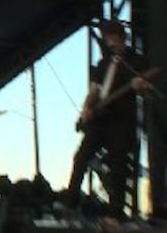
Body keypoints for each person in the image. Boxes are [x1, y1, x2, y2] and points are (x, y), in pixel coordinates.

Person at [65, 18, 152, 218]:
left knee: (118, 164)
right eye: (107, 38)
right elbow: (93, 90)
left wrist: (141, 86)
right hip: (99, 118)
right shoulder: (102, 64)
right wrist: (87, 108)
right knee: (81, 157)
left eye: (113, 38)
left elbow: (145, 90)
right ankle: (69, 201)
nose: (110, 42)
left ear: (121, 38)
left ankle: (116, 210)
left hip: (121, 121)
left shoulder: (136, 61)